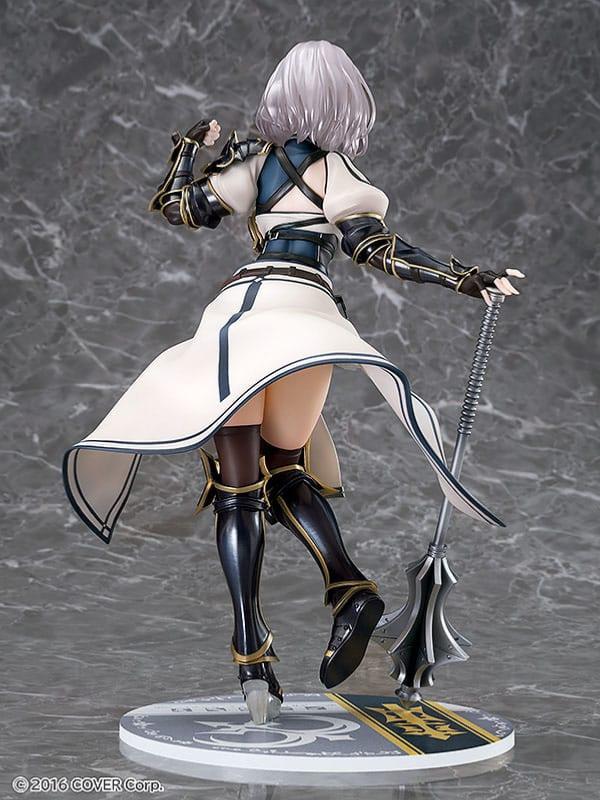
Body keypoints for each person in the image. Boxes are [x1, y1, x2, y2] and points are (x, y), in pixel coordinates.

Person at [63, 40, 524, 725]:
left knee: (237, 489)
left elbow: (178, 207)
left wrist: (187, 150)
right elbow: (374, 247)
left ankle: (253, 659)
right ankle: (350, 590)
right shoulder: (336, 170)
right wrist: (466, 278)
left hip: (243, 320)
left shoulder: (252, 163)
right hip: (308, 321)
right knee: (285, 470)